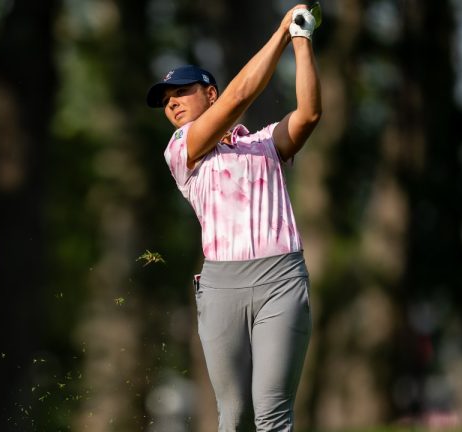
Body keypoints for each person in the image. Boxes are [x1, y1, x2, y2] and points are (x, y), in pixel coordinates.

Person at [146, 5, 321, 431]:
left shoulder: (264, 144)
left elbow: (309, 114)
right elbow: (240, 97)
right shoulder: (182, 149)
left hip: (281, 280)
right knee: (235, 415)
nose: (172, 104)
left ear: (210, 94)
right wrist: (280, 33)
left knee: (271, 413)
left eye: (181, 93)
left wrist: (300, 39)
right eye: (166, 102)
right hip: (221, 287)